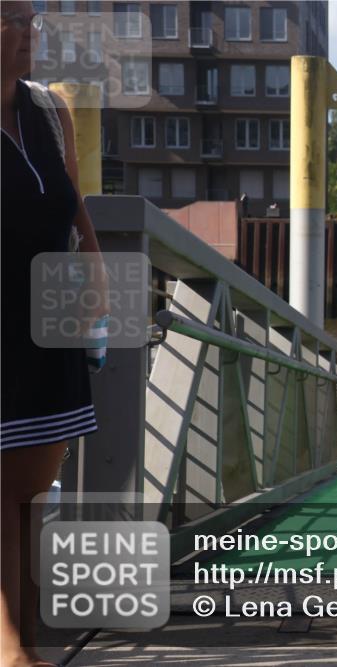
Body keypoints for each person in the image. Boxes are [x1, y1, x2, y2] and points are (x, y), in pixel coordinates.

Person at [2, 3, 107, 665]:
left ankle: (27, 645)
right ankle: (14, 649)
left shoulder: (48, 109)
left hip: (49, 322)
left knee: (29, 502)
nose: (28, 32)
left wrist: (95, 266)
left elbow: (72, 202)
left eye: (31, 17)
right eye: (12, 18)